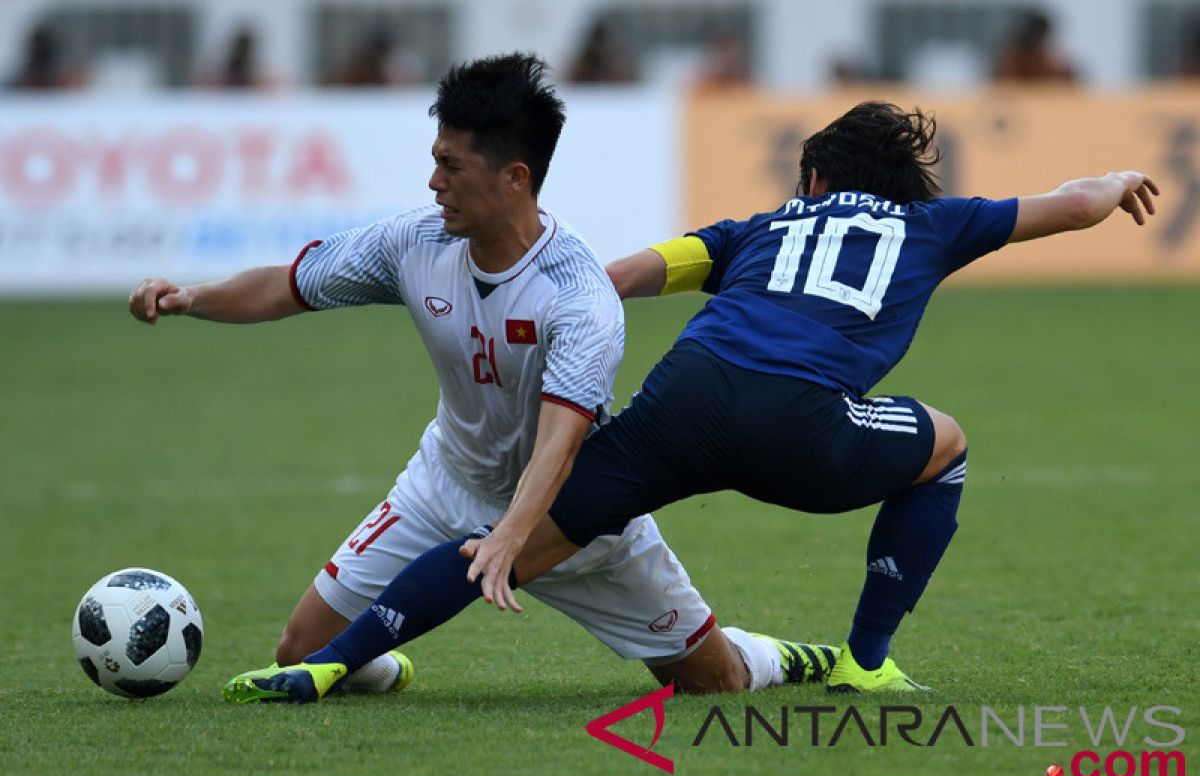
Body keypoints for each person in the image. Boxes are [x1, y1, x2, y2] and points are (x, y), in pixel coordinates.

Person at [245, 100, 1157, 700]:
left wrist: (560, 310)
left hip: (680, 404)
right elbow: (1073, 205)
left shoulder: (755, 229)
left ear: (812, 182)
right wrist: (1116, 183)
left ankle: (327, 667)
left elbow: (629, 274)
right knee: (947, 446)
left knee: (507, 546)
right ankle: (864, 662)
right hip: (804, 427)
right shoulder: (936, 224)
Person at [129, 53, 835, 702]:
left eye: (451, 165)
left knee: (713, 682)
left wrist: (512, 537)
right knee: (301, 649)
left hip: (574, 515)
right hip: (445, 486)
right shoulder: (414, 242)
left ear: (514, 177)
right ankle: (380, 663)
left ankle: (780, 655)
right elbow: (289, 286)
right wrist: (193, 298)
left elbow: (561, 445)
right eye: (435, 160)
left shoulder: (578, 297)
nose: (433, 182)